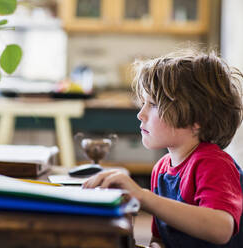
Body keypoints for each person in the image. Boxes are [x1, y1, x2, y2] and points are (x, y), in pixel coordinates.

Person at [83, 50, 243, 248]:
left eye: (153, 104)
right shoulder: (161, 169)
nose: (141, 114)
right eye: (143, 104)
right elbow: (161, 239)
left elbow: (221, 229)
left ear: (197, 119)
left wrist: (143, 196)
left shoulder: (215, 164)